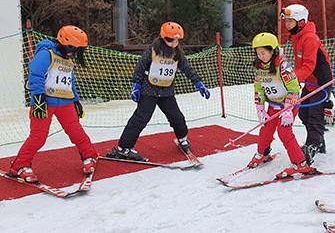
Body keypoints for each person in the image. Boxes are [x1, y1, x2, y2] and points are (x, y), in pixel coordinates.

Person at [106, 21, 210, 161]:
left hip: (166, 92)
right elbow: (140, 67)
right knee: (140, 119)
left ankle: (182, 138)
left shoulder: (177, 53)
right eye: (171, 40)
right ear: (163, 38)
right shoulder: (152, 50)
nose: (174, 43)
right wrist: (136, 86)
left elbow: (187, 68)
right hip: (149, 90)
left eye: (176, 41)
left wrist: (198, 83)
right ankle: (124, 147)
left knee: (177, 117)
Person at [8, 25, 99, 182]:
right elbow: (35, 75)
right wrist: (38, 98)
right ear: (65, 43)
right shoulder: (46, 54)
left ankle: (89, 155)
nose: (74, 53)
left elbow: (71, 82)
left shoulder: (67, 60)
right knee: (38, 136)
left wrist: (76, 100)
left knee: (76, 131)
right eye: (73, 49)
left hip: (65, 102)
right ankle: (19, 166)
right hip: (44, 102)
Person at [247, 32, 315, 178]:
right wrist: (260, 109)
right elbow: (259, 88)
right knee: (266, 129)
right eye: (258, 53)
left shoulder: (284, 67)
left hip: (288, 105)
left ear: (273, 50)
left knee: (284, 132)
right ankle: (263, 153)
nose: (260, 56)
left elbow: (294, 88)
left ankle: (300, 163)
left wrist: (288, 110)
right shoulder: (260, 66)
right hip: (273, 104)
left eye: (263, 52)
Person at [280, 4, 333, 165]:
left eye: (290, 21)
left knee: (315, 115)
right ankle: (319, 140)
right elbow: (300, 64)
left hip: (321, 81)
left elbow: (309, 64)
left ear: (301, 21)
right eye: (286, 21)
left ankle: (312, 145)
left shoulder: (309, 38)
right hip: (309, 81)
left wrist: (292, 80)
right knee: (303, 113)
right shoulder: (296, 36)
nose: (287, 24)